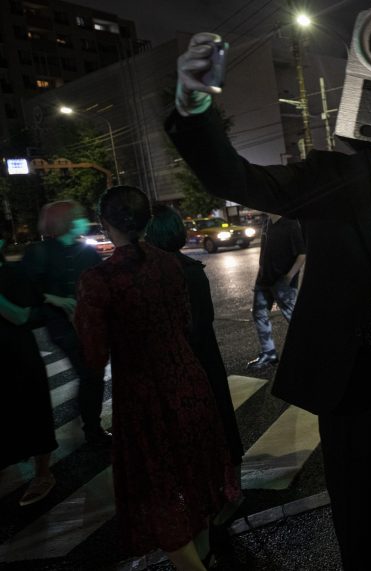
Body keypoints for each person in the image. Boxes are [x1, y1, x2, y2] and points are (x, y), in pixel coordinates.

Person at [167, 27, 371, 570]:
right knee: (357, 515)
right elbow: (237, 178)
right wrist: (194, 106)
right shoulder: (325, 174)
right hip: (347, 380)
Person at [74, 186, 240, 570]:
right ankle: (203, 557)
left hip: (145, 397)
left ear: (105, 223)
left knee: (161, 495)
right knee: (198, 484)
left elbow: (94, 355)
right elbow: (183, 323)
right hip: (189, 382)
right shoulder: (169, 264)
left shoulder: (98, 280)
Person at [145, 205, 245, 467]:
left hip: (185, 360)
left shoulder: (161, 273)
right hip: (205, 355)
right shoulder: (191, 269)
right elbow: (204, 320)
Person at [22, 200, 110, 446]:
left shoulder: (88, 251)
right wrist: (54, 298)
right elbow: (25, 287)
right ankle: (92, 430)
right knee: (90, 373)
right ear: (66, 221)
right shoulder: (38, 251)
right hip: (60, 326)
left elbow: (101, 284)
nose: (84, 219)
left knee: (93, 373)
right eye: (79, 216)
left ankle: (87, 413)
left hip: (89, 324)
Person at [0, 237, 59, 507]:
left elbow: (21, 316)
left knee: (33, 412)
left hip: (18, 355)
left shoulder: (12, 273)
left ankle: (42, 473)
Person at [247, 213, 305, 370]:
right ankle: (269, 353)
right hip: (264, 280)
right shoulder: (266, 223)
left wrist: (289, 276)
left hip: (282, 280)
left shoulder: (291, 223)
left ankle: (309, 351)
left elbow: (301, 254)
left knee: (292, 316)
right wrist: (259, 275)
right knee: (259, 314)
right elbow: (263, 254)